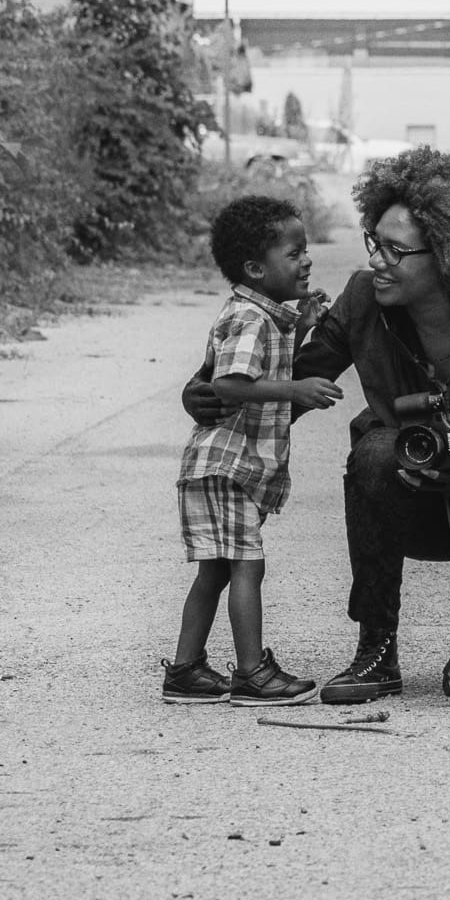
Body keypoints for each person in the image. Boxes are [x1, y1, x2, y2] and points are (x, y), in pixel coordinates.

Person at [183, 149, 450, 703]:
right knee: (373, 453)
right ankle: (376, 647)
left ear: (449, 257)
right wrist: (207, 391)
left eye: (396, 251)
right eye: (375, 242)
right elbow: (290, 382)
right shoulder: (365, 301)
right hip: (407, 504)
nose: (378, 261)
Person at [162, 194, 343, 707]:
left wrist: (304, 324)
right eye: (294, 253)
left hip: (224, 465)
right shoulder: (251, 318)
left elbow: (264, 355)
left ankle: (186, 671)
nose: (306, 260)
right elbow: (232, 384)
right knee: (247, 565)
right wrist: (297, 389)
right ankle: (252, 673)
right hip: (225, 464)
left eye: (305, 249)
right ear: (255, 268)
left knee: (217, 568)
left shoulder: (263, 314)